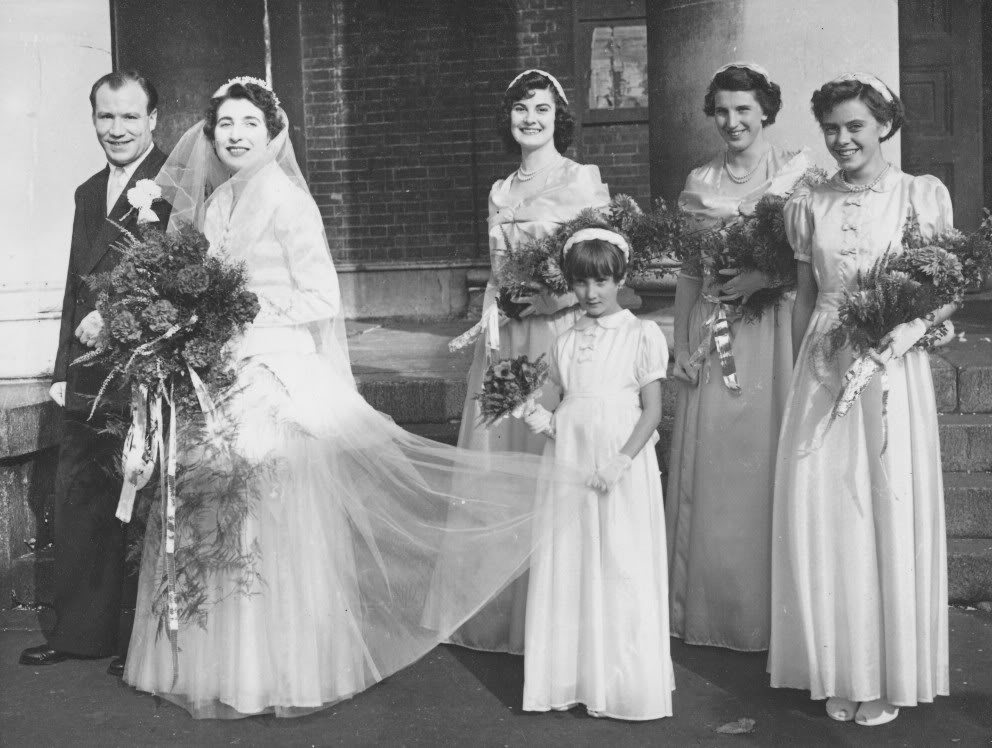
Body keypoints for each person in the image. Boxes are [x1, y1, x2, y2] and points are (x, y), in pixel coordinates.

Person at [123, 77, 594, 719]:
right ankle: (219, 665)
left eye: (248, 125)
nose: (235, 136)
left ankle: (280, 669)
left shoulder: (289, 203)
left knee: (270, 520)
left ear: (272, 133)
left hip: (277, 372)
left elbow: (320, 298)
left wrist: (240, 313)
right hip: (224, 373)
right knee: (217, 515)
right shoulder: (216, 205)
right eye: (225, 125)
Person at [769, 73, 953, 726]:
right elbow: (807, 297)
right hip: (823, 363)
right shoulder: (808, 203)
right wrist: (799, 378)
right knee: (828, 511)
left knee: (880, 507)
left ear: (884, 125)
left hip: (889, 367)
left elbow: (944, 288)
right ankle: (835, 667)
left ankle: (884, 673)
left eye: (854, 126)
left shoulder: (918, 196)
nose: (842, 138)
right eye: (831, 129)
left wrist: (904, 333)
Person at [450, 70, 610, 654]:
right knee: (500, 467)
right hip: (506, 341)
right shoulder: (499, 190)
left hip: (556, 336)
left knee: (551, 463)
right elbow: (497, 271)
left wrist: (547, 297)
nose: (531, 119)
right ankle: (501, 614)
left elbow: (602, 273)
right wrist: (496, 306)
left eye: (541, 109)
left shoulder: (581, 180)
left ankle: (558, 617)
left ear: (558, 117)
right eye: (520, 109)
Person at [20, 70, 169, 678]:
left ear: (153, 120)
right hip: (86, 373)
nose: (117, 129)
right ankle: (80, 634)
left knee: (140, 503)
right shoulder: (89, 190)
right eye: (106, 117)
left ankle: (137, 641)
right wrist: (61, 369)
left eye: (129, 117)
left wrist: (115, 313)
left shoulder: (173, 186)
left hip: (143, 366)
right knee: (81, 497)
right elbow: (74, 288)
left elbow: (175, 274)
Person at [664, 62, 810, 651]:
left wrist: (763, 277)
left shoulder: (794, 173)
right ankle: (710, 609)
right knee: (714, 466)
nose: (732, 121)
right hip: (713, 326)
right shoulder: (699, 181)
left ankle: (770, 615)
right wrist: (679, 343)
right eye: (722, 110)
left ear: (765, 111)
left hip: (771, 325)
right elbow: (690, 272)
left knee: (765, 460)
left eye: (744, 109)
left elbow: (811, 258)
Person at [520, 227, 673, 720]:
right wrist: (537, 417)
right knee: (574, 557)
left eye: (602, 282)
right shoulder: (563, 341)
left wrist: (622, 460)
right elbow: (564, 413)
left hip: (620, 465)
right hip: (571, 462)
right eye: (581, 283)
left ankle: (624, 682)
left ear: (621, 279)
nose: (591, 293)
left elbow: (652, 411)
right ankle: (576, 676)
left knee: (620, 559)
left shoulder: (641, 334)